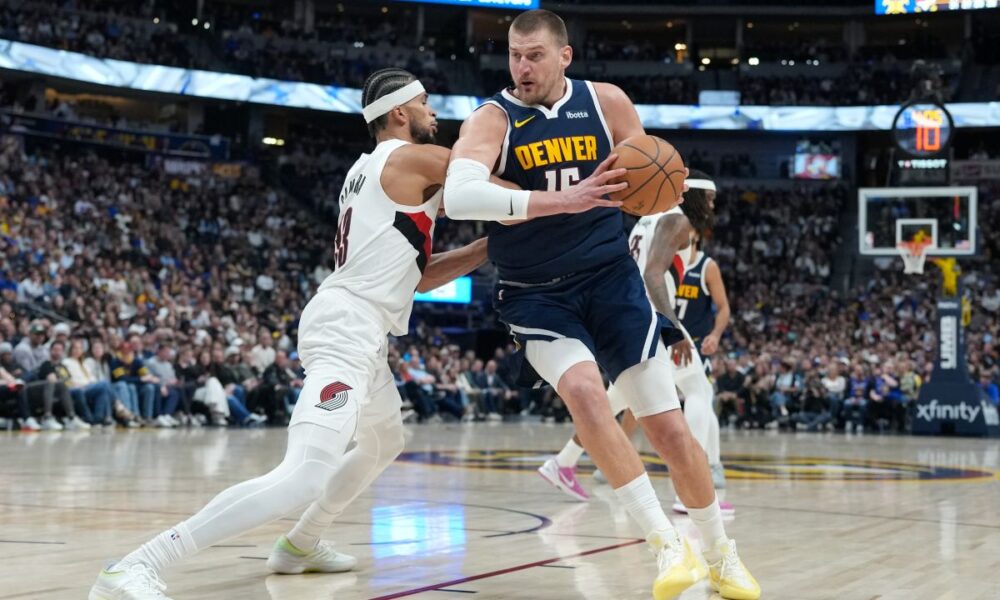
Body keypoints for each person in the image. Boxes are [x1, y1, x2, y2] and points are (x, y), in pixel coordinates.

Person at [90, 68, 496, 600]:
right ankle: (136, 565)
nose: (435, 113)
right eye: (425, 103)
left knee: (385, 439)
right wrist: (546, 185)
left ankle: (301, 544)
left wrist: (485, 249)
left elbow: (416, 277)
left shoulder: (375, 171)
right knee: (304, 474)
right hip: (347, 327)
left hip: (363, 326)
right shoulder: (408, 158)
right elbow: (481, 175)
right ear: (400, 113)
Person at [443, 10, 758, 599]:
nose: (522, 66)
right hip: (536, 293)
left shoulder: (607, 102)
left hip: (611, 281)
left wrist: (661, 183)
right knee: (586, 394)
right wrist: (557, 200)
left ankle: (719, 553)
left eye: (534, 55)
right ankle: (665, 543)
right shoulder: (493, 118)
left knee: (669, 429)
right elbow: (460, 197)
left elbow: (647, 177)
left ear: (564, 56)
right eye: (514, 54)